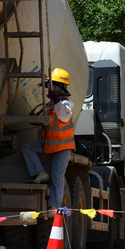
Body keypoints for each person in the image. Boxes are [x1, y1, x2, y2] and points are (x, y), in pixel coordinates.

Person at [22, 67, 75, 210]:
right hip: (50, 145)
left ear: (57, 88)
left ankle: (54, 206)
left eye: (51, 87)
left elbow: (65, 114)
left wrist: (57, 99)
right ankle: (41, 173)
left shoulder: (64, 103)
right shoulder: (53, 104)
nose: (48, 91)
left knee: (57, 176)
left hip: (62, 148)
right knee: (28, 147)